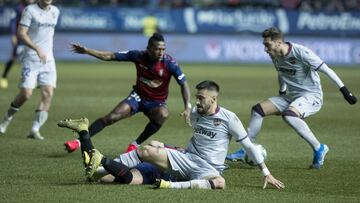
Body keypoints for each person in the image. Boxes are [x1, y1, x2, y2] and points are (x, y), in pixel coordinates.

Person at [58, 80, 285, 190]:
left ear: (214, 99)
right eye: (196, 97)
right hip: (186, 158)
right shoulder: (196, 113)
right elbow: (197, 140)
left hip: (205, 167)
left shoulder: (230, 119)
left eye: (201, 98)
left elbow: (248, 146)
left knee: (220, 182)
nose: (197, 102)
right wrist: (172, 147)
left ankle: (87, 138)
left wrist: (266, 172)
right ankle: (101, 157)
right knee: (145, 150)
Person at [226, 27, 357, 169]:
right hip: (292, 96)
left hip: (311, 96)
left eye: (267, 45)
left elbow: (326, 69)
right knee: (258, 110)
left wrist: (345, 91)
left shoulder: (301, 52)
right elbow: (281, 72)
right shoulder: (274, 55)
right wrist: (282, 92)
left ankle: (319, 148)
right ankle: (247, 149)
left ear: (278, 42)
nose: (265, 49)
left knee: (289, 116)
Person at [64, 33, 191, 153]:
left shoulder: (170, 63)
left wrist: (187, 106)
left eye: (163, 49)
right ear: (149, 48)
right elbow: (110, 56)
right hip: (138, 97)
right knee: (111, 117)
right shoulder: (138, 55)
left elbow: (183, 84)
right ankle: (78, 142)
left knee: (163, 114)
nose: (161, 52)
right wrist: (87, 51)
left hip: (156, 102)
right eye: (158, 49)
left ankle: (135, 144)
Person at [0, 0, 60, 140]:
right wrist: (37, 48)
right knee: (26, 94)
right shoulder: (29, 10)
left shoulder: (55, 11)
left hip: (48, 60)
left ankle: (35, 129)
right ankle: (5, 120)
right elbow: (21, 33)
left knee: (48, 93)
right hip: (31, 58)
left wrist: (46, 50)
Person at [0, 0, 35, 89]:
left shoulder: (35, 8)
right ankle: (4, 76)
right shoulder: (19, 9)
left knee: (32, 58)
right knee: (14, 57)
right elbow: (13, 22)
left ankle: (30, 79)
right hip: (20, 38)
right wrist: (13, 35)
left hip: (31, 38)